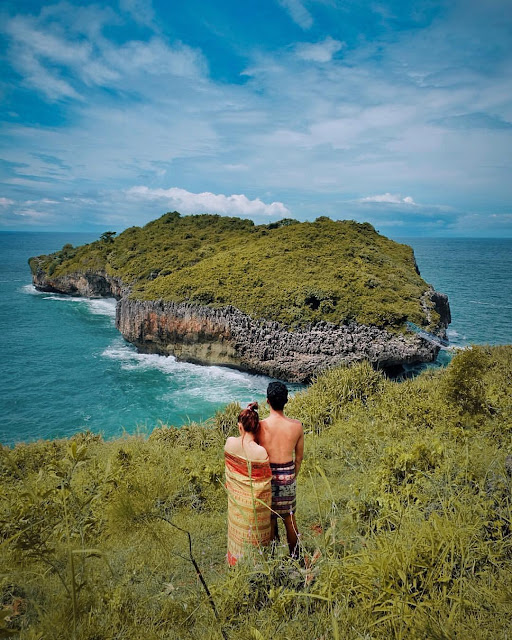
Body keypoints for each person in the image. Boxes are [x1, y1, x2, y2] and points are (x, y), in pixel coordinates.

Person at [258, 381, 304, 556]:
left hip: (267, 478)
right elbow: (298, 458)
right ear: (286, 401)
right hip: (288, 476)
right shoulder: (296, 426)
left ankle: (271, 560)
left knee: (269, 519)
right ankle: (296, 557)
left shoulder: (260, 426)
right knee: (289, 518)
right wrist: (291, 476)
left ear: (267, 401)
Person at [224, 402, 272, 566]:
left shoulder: (230, 443)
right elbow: (265, 484)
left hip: (236, 503)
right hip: (254, 507)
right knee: (254, 536)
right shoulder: (260, 452)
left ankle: (235, 565)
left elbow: (230, 474)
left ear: (239, 426)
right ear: (257, 427)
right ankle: (258, 566)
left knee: (237, 533)